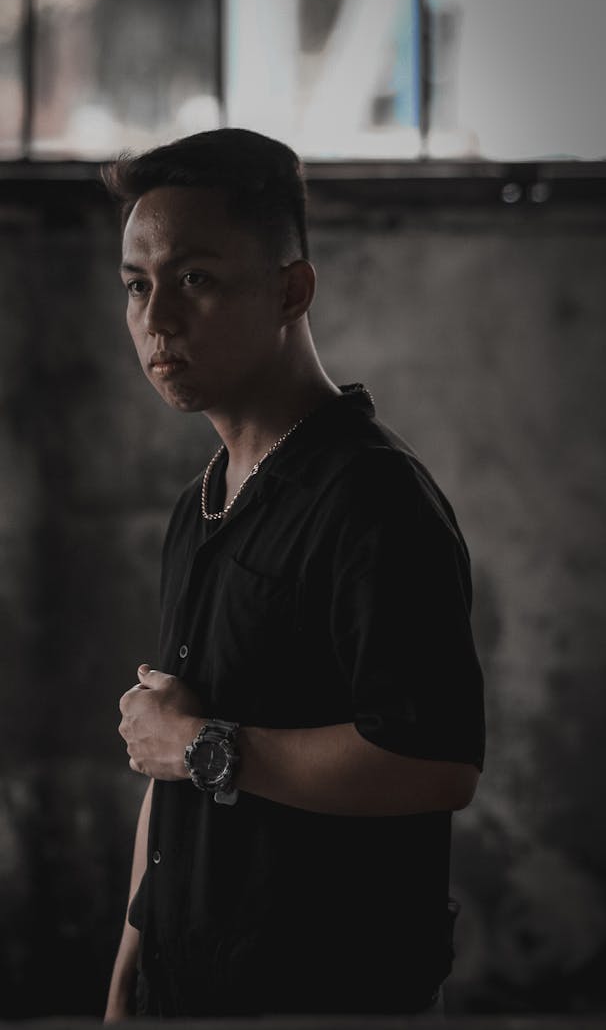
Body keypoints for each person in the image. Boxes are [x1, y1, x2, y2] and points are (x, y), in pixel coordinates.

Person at [102, 128, 485, 1020]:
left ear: (292, 288)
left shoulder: (373, 499)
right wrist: (129, 962)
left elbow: (436, 762)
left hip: (322, 991)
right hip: (183, 983)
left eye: (194, 278)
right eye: (136, 285)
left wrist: (205, 749)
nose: (156, 320)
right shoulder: (198, 504)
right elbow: (168, 743)